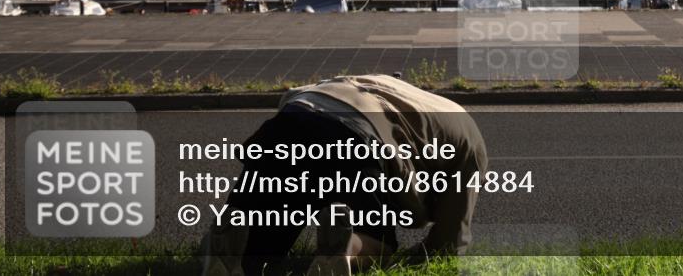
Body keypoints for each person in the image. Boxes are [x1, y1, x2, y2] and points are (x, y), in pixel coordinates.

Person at [202, 74, 488, 276]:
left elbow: (295, 100)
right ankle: (345, 250)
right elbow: (449, 244)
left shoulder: (394, 87)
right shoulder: (470, 144)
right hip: (355, 135)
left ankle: (232, 247)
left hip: (294, 115)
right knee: (381, 244)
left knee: (263, 244)